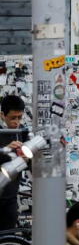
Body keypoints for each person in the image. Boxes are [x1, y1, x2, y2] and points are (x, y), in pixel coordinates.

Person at [0, 95, 26, 230]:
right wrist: (6, 150)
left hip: (10, 196)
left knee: (9, 240)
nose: (16, 122)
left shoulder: (22, 132)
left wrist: (26, 157)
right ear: (2, 115)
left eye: (19, 117)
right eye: (13, 118)